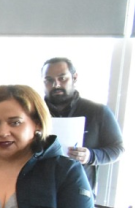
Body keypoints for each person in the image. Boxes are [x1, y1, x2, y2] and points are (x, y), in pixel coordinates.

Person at [41, 56, 124, 192]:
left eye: (62, 78)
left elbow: (118, 149)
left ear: (74, 78)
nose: (56, 85)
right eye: (49, 80)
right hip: (38, 191)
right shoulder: (32, 112)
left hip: (79, 193)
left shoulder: (98, 111)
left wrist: (90, 156)